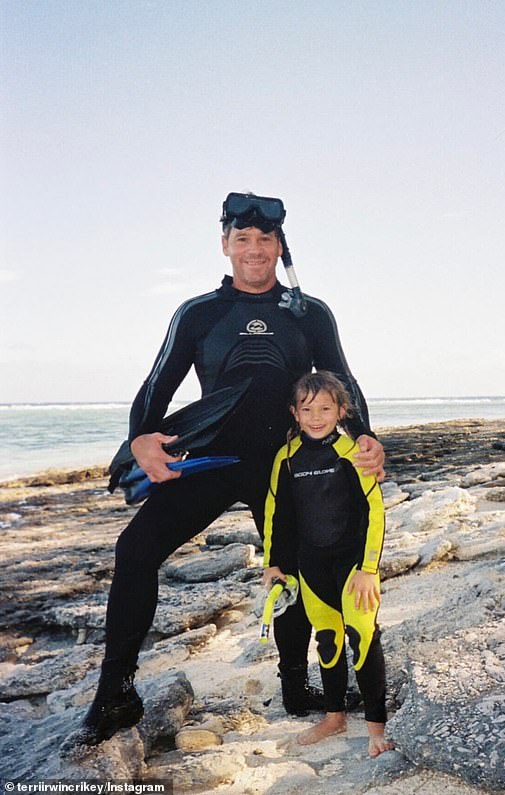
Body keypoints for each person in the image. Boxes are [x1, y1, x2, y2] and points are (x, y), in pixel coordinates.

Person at [62, 192, 384, 751]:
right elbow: (156, 386)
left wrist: (368, 439)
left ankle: (296, 689)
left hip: (285, 465)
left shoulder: (308, 314)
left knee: (293, 566)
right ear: (225, 245)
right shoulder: (199, 313)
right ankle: (114, 689)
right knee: (135, 550)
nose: (254, 250)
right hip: (213, 460)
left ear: (280, 246)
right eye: (243, 239)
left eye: (265, 240)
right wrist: (141, 439)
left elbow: (343, 383)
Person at [263, 371, 394, 758]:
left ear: (341, 411)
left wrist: (369, 568)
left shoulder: (354, 452)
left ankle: (376, 726)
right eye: (307, 409)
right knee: (328, 639)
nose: (316, 416)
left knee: (363, 636)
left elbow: (375, 510)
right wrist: (274, 564)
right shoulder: (285, 458)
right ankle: (334, 715)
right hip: (311, 566)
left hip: (353, 565)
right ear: (294, 413)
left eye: (325, 408)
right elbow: (276, 514)